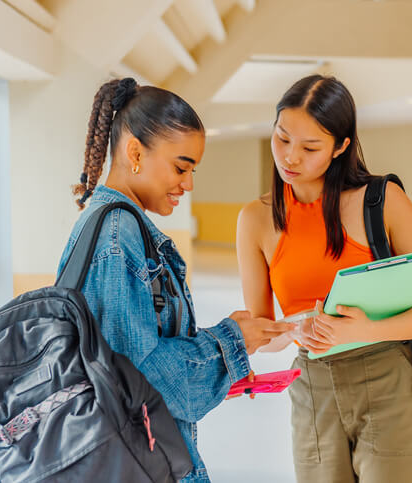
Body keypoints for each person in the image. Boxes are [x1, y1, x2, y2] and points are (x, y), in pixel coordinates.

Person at [57, 78, 295, 482]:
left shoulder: (116, 227)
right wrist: (231, 342)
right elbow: (138, 386)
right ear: (135, 152)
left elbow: (139, 357)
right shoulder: (118, 238)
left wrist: (227, 361)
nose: (188, 184)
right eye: (180, 167)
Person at [236, 75, 412, 482]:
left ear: (340, 146)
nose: (290, 157)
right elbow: (266, 334)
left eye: (310, 147)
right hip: (312, 391)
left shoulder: (383, 201)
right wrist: (293, 327)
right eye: (282, 138)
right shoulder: (255, 219)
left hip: (388, 383)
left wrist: (367, 329)